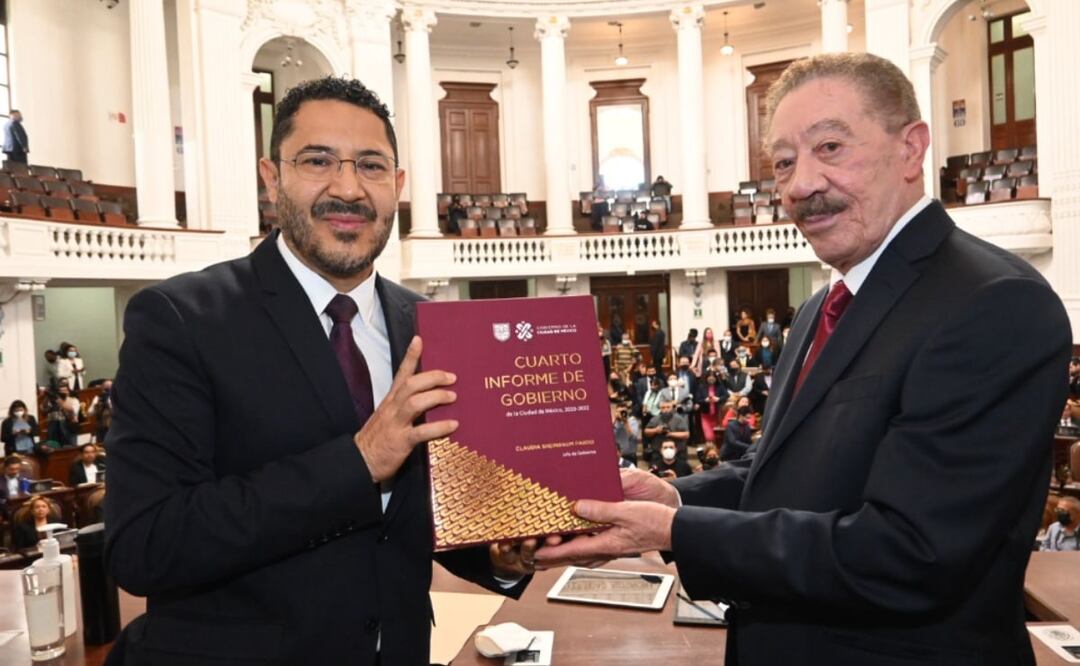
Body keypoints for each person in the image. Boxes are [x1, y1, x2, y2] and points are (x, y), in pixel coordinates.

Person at [536, 53, 1071, 666]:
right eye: (784, 162)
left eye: (831, 148)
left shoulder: (992, 302)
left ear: (911, 148)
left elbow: (910, 554)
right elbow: (788, 475)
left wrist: (675, 533)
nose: (800, 186)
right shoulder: (823, 306)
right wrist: (673, 500)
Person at [104, 77, 535, 665]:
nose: (348, 188)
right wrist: (359, 462)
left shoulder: (429, 326)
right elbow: (145, 545)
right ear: (271, 177)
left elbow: (415, 515)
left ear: (397, 186)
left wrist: (498, 554)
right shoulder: (181, 319)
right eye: (317, 161)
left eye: (371, 166)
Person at [694, 372, 727, 445]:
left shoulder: (720, 386)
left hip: (717, 415)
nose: (711, 378)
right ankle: (710, 448)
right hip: (705, 415)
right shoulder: (701, 387)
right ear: (706, 378)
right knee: (709, 436)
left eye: (713, 377)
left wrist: (718, 399)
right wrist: (705, 400)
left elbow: (725, 396)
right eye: (709, 376)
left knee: (717, 435)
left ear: (716, 378)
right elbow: (698, 399)